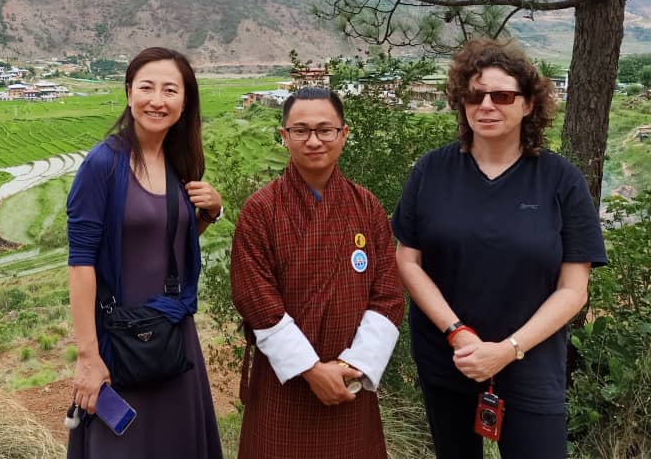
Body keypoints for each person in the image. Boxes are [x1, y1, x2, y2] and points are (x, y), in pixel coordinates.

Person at [392, 38, 607, 459]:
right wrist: (457, 333)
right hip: (449, 358)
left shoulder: (561, 180)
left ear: (528, 105)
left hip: (530, 360)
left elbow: (573, 290)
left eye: (502, 95)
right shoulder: (431, 171)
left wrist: (507, 349)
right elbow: (408, 259)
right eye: (474, 95)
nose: (486, 104)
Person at [66, 47, 223, 458]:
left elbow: (165, 242)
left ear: (184, 101)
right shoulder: (103, 165)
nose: (157, 99)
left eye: (170, 90)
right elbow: (81, 264)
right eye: (147, 87)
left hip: (172, 335)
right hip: (120, 340)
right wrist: (88, 357)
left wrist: (211, 213)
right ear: (128, 93)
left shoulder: (179, 162)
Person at [231, 87, 405, 459]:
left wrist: (353, 364)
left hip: (348, 379)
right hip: (286, 379)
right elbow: (256, 300)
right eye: (301, 130)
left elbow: (388, 294)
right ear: (284, 137)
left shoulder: (367, 207)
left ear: (343, 134)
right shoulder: (260, 211)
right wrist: (310, 369)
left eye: (325, 130)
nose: (314, 140)